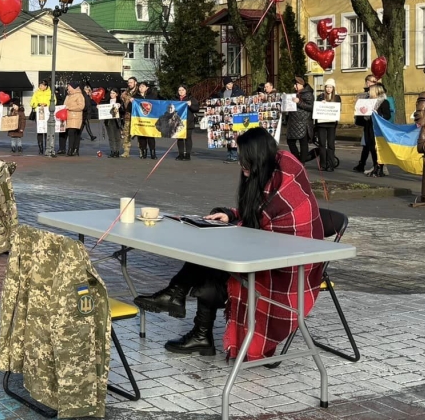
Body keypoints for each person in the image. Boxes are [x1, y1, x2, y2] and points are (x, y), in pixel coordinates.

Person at [134, 127, 324, 358]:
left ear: (257, 157)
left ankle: (184, 306)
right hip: (270, 246)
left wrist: (235, 223)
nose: (240, 164)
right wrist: (231, 215)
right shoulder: (267, 172)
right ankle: (187, 312)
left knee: (214, 261)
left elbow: (269, 227)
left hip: (292, 263)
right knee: (212, 251)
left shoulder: (286, 179)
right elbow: (257, 217)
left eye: (244, 159)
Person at [354, 80, 392, 177]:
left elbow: (387, 116)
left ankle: (380, 168)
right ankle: (376, 166)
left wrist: (377, 113)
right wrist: (359, 112)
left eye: (371, 90)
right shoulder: (367, 101)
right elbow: (362, 116)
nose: (369, 92)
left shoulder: (384, 102)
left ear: (376, 91)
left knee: (377, 148)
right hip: (368, 126)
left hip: (378, 128)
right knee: (371, 147)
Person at [311, 79, 341, 171]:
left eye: (330, 87)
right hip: (321, 124)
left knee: (331, 145)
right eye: (327, 87)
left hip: (331, 124)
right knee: (322, 144)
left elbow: (338, 109)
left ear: (333, 88)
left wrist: (330, 104)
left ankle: (331, 165)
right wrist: (321, 103)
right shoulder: (320, 97)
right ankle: (323, 165)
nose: (328, 89)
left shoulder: (336, 97)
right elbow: (316, 108)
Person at [286, 76, 314, 164]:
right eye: (294, 84)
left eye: (296, 84)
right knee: (290, 141)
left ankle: (301, 162)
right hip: (293, 122)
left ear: (301, 84)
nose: (295, 86)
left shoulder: (308, 94)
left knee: (303, 143)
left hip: (303, 122)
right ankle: (297, 159)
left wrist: (299, 102)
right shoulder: (295, 93)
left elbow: (311, 107)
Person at [217, 76, 245, 163]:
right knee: (227, 136)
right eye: (229, 84)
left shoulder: (238, 91)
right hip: (226, 116)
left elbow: (244, 100)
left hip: (235, 116)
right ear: (225, 84)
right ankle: (229, 154)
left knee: (234, 136)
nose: (231, 85)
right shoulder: (221, 92)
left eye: (231, 83)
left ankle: (234, 155)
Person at [174, 85, 198, 161]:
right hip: (178, 122)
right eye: (179, 90)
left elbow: (196, 108)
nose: (181, 92)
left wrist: (190, 105)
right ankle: (180, 154)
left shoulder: (191, 98)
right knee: (180, 139)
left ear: (186, 90)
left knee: (188, 138)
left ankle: (187, 155)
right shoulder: (175, 99)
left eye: (182, 90)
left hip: (188, 121)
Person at [63, 82, 86, 156]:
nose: (68, 88)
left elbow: (81, 106)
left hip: (75, 117)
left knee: (72, 133)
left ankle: (71, 150)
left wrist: (70, 108)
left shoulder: (79, 95)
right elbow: (64, 105)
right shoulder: (68, 96)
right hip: (68, 117)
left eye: (69, 86)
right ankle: (74, 149)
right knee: (72, 134)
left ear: (73, 87)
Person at [133, 82, 154, 159]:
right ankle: (144, 152)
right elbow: (130, 109)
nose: (140, 88)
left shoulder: (152, 96)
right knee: (142, 137)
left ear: (147, 88)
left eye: (142, 86)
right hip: (140, 120)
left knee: (151, 137)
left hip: (150, 120)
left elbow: (158, 105)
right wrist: (131, 102)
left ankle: (153, 153)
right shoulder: (135, 97)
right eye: (139, 87)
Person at [30, 80, 52, 154]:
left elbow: (54, 101)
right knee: (40, 130)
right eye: (40, 85)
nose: (40, 86)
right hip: (39, 113)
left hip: (47, 113)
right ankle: (40, 148)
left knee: (47, 131)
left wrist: (46, 104)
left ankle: (47, 147)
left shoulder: (50, 92)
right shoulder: (36, 92)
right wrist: (38, 104)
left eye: (42, 85)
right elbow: (32, 102)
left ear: (46, 86)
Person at [119, 77, 138, 158]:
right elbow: (120, 99)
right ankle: (126, 152)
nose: (129, 84)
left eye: (131, 82)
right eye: (128, 82)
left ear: (135, 83)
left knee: (140, 135)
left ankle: (142, 151)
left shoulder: (138, 92)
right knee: (126, 134)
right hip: (127, 116)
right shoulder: (125, 93)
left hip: (138, 117)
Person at [103, 88, 123, 158]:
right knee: (111, 137)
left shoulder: (119, 101)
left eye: (113, 93)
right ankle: (112, 151)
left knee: (117, 137)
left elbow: (123, 111)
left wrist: (120, 106)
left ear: (117, 94)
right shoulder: (107, 101)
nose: (112, 94)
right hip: (109, 121)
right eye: (111, 93)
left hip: (117, 121)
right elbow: (103, 109)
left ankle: (117, 151)